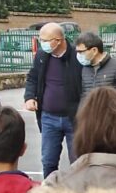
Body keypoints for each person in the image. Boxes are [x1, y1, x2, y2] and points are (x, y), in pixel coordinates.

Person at [24, 22, 84, 179]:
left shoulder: (77, 57)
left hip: (74, 118)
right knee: (48, 160)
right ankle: (49, 190)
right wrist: (29, 97)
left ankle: (77, 190)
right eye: (41, 40)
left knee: (77, 161)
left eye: (45, 40)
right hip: (48, 118)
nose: (41, 43)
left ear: (58, 40)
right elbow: (32, 77)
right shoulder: (42, 56)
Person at [76, 32, 116, 104]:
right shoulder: (86, 69)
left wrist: (111, 109)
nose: (78, 55)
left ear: (94, 50)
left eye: (81, 52)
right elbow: (84, 95)